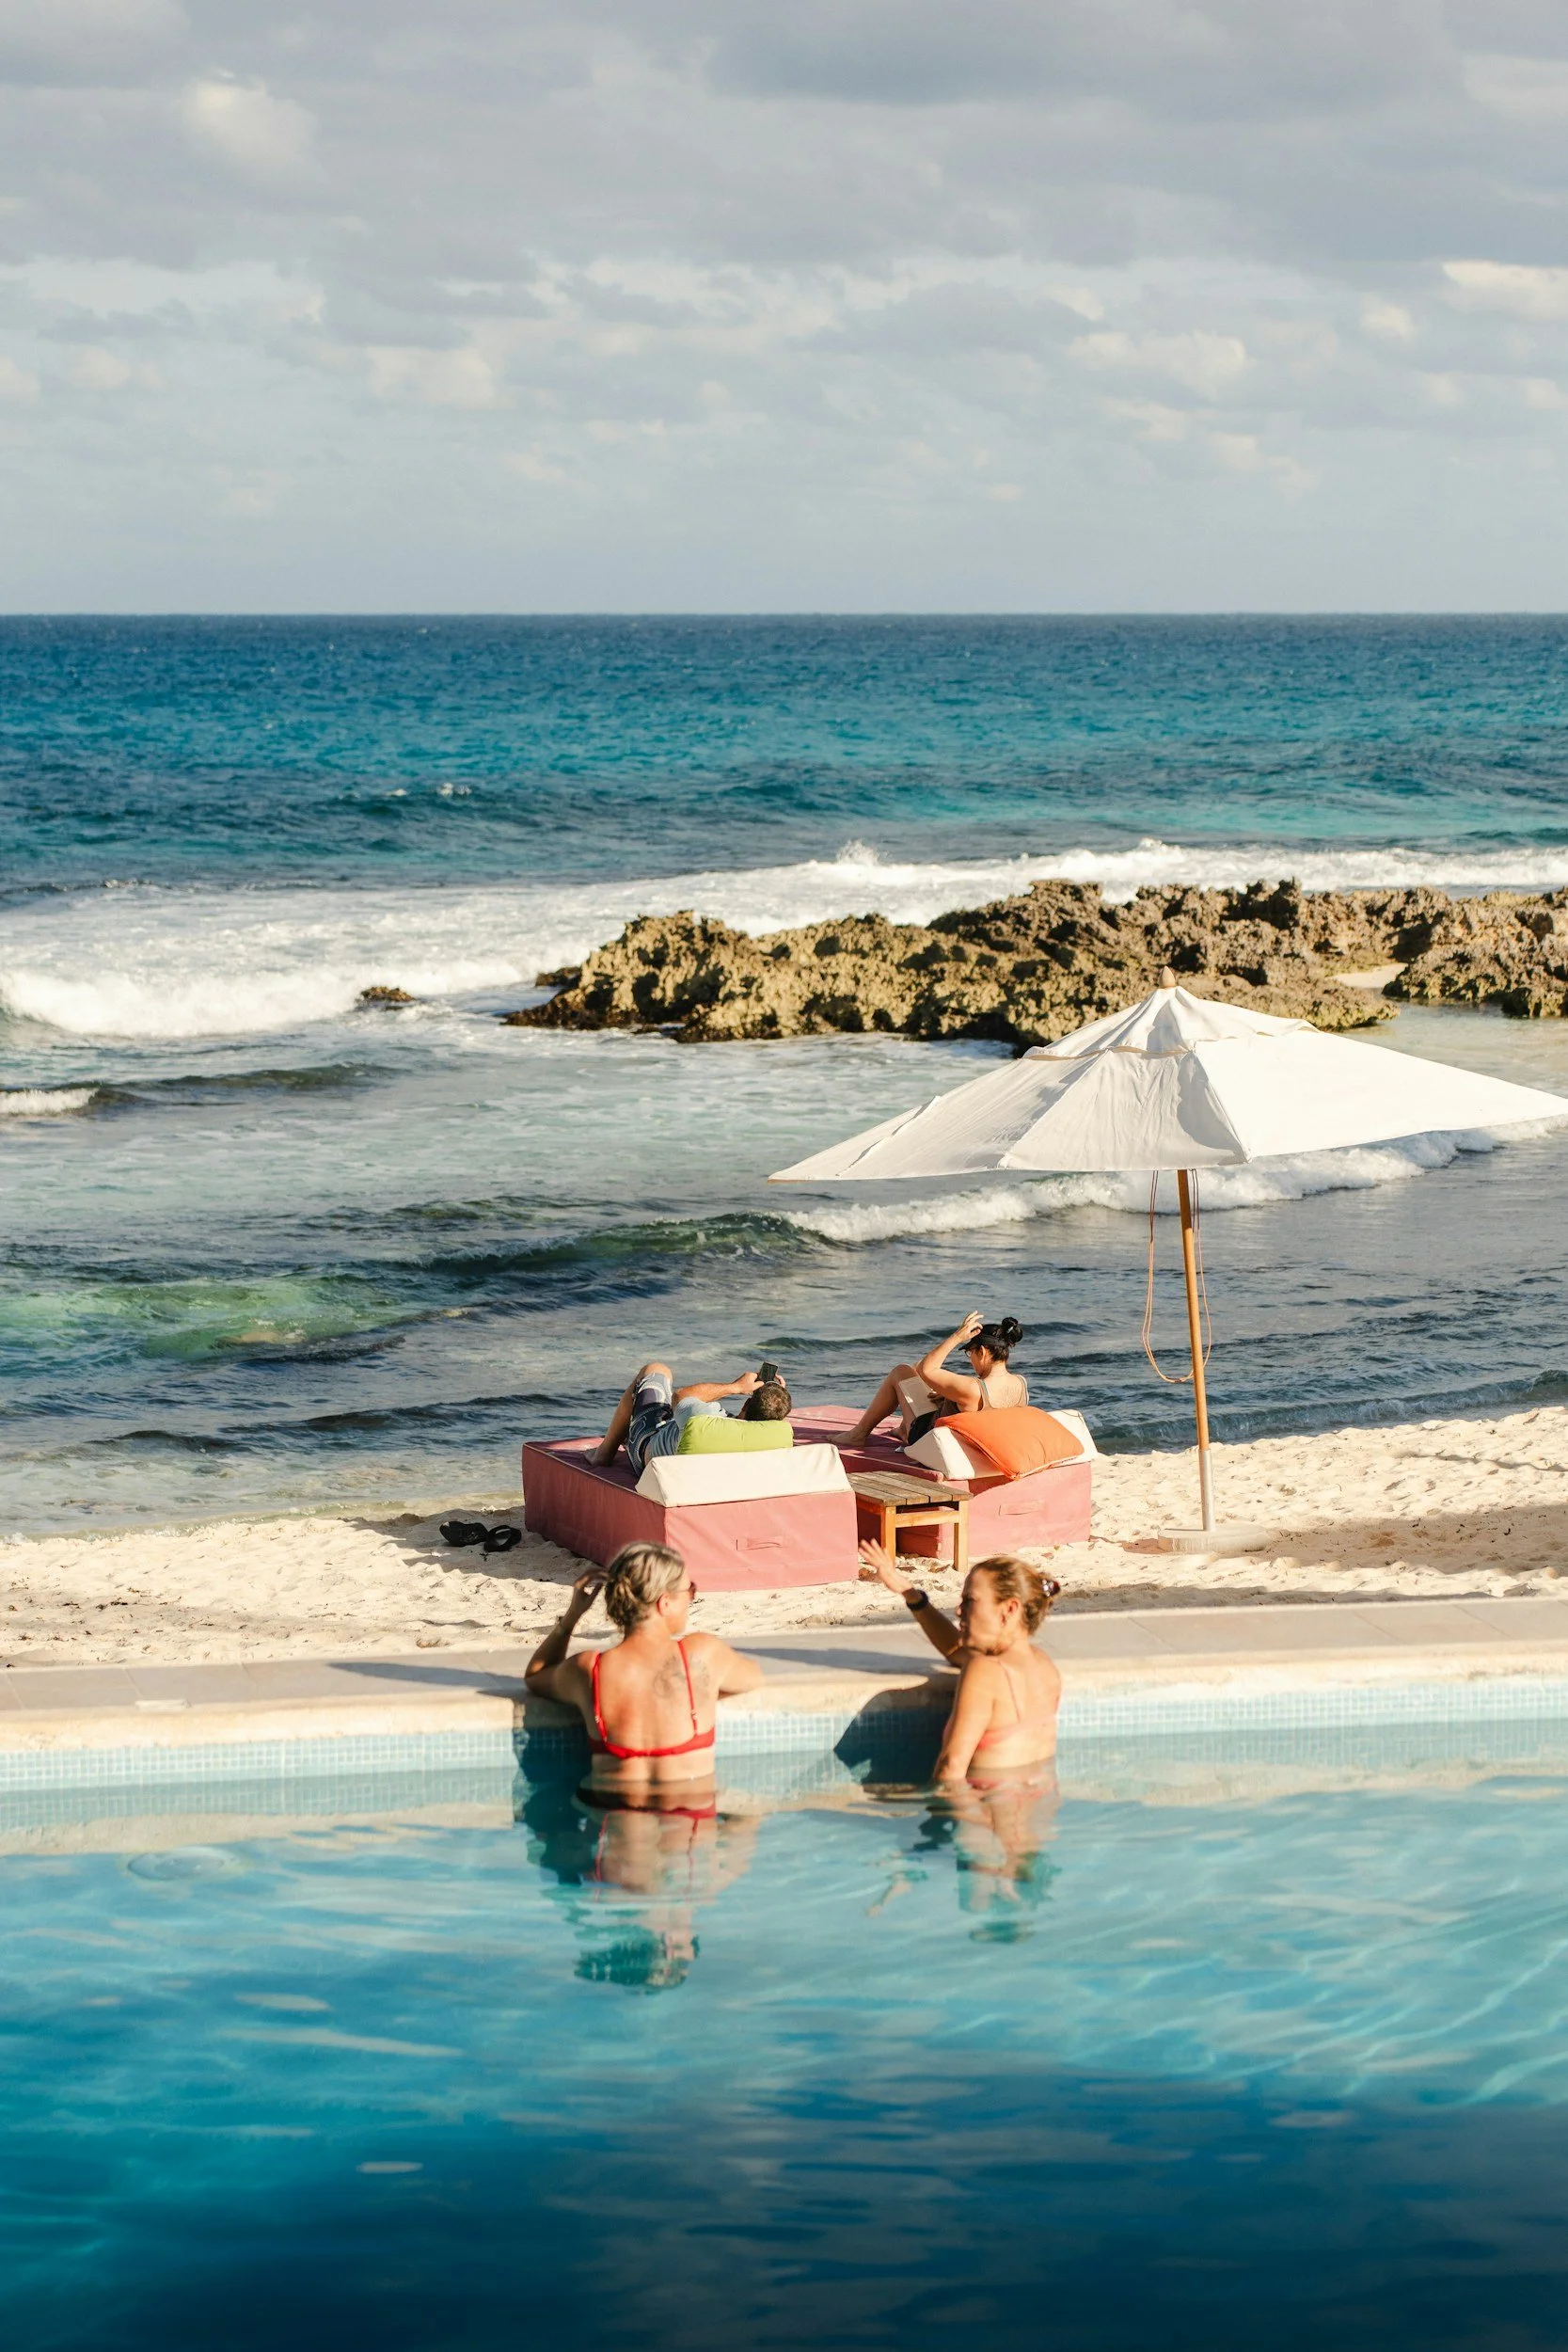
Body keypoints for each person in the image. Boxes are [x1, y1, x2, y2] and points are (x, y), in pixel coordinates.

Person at [525, 1541, 765, 1797]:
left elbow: (536, 1675)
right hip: (690, 1824)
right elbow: (753, 1677)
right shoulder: (703, 1656)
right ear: (665, 1603)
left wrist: (571, 1618)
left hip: (611, 1817)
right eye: (690, 1590)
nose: (692, 1598)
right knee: (746, 1819)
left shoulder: (588, 1669)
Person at [857, 1538, 1061, 1781]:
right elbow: (956, 1651)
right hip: (1033, 1808)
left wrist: (937, 1814)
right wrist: (910, 1593)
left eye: (970, 1601)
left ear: (1009, 1609)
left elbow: (951, 1765)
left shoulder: (985, 1671)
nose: (958, 1610)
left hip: (983, 1812)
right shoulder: (1042, 1664)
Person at [845, 1311, 1027, 1449]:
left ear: (982, 1352)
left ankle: (859, 1434)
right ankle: (902, 1430)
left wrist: (958, 1336)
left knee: (901, 1372)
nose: (970, 1359)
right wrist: (950, 1398)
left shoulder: (971, 1389)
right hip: (974, 1442)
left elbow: (928, 1368)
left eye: (969, 1353)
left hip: (928, 1440)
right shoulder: (1021, 1384)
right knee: (915, 1369)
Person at [592, 1359, 792, 1471]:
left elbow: (679, 1397)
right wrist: (777, 1398)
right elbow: (771, 1411)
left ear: (747, 1403)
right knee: (678, 1416)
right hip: (693, 1467)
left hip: (646, 1451)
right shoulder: (776, 1440)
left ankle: (603, 1453)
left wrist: (737, 1387)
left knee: (656, 1370)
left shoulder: (703, 1419)